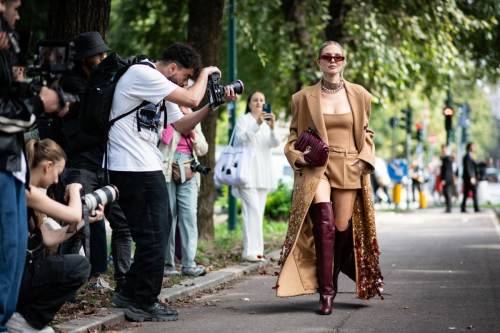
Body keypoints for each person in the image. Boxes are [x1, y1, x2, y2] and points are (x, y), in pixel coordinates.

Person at [108, 42, 237, 322]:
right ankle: (144, 302)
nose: (187, 83)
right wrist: (205, 75)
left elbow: (182, 124)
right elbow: (191, 98)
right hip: (133, 167)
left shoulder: (158, 89)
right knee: (156, 234)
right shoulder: (144, 74)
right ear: (173, 68)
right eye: (187, 77)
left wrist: (213, 105)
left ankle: (128, 294)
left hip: (142, 166)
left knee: (152, 233)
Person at [276, 41, 383, 315]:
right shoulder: (302, 97)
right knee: (323, 219)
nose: (332, 60)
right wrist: (294, 155)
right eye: (327, 56)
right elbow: (292, 136)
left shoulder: (360, 95)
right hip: (317, 166)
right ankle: (326, 294)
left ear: (344, 61)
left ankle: (332, 276)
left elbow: (367, 133)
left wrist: (365, 159)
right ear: (319, 61)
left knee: (341, 228)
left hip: (348, 166)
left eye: (338, 56)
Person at [0, 0, 69, 330]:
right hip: (3, 165)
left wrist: (34, 95)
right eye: (15, 7)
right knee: (6, 254)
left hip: (9, 163)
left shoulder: (7, 49)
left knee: (10, 254)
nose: (18, 15)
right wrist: (39, 102)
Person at [58, 31, 129, 292]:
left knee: (122, 224)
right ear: (83, 58)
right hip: (81, 166)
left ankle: (123, 282)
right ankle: (65, 286)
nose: (103, 57)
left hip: (107, 165)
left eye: (104, 53)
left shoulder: (99, 78)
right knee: (77, 225)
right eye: (98, 54)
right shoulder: (71, 82)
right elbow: (95, 103)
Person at [5, 139, 100, 333]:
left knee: (78, 265)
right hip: (7, 277)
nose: (57, 181)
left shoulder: (23, 191)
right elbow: (72, 213)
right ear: (48, 166)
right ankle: (24, 319)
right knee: (79, 266)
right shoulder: (23, 189)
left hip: (13, 274)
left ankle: (21, 317)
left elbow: (47, 239)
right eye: (57, 173)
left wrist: (85, 221)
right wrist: (75, 190)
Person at [231, 90, 281, 262]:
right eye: (255, 100)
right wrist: (256, 124)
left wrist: (272, 127)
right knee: (250, 211)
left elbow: (275, 143)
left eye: (262, 100)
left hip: (263, 173)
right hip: (247, 173)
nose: (259, 103)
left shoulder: (267, 123)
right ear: (250, 103)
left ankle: (257, 251)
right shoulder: (243, 120)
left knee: (258, 213)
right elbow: (239, 140)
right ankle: (248, 251)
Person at [160, 105, 208, 277]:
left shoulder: (194, 118)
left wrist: (193, 130)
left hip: (189, 168)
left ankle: (189, 264)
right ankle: (168, 264)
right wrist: (177, 122)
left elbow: (203, 149)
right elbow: (163, 139)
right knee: (169, 216)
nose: (185, 106)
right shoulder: (166, 114)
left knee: (189, 217)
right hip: (168, 167)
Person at [461, 142, 480, 213]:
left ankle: (475, 207)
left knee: (471, 193)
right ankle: (474, 208)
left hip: (472, 178)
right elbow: (468, 168)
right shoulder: (466, 157)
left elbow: (474, 166)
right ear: (469, 147)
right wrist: (471, 177)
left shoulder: (471, 156)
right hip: (469, 179)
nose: (473, 148)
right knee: (467, 193)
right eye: (472, 146)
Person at [440, 144, 454, 213]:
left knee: (447, 193)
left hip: (447, 179)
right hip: (447, 178)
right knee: (446, 193)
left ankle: (449, 208)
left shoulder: (447, 158)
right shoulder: (445, 158)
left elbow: (447, 170)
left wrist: (444, 179)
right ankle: (448, 207)